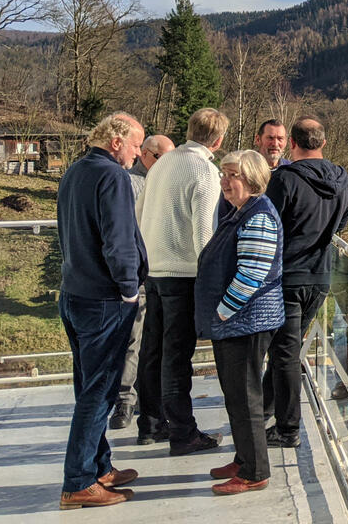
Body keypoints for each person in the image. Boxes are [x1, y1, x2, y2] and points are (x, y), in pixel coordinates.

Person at [56, 112, 146, 509]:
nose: (138, 153)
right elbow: (119, 239)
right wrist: (129, 289)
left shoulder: (75, 171)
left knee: (88, 385)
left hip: (74, 295)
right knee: (99, 391)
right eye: (135, 144)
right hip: (105, 300)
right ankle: (78, 482)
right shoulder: (112, 177)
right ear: (115, 142)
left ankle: (98, 466)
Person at [136, 108, 228, 455]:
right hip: (182, 274)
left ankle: (151, 424)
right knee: (176, 357)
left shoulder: (161, 163)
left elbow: (139, 212)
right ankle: (184, 433)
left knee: (153, 351)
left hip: (154, 270)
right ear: (217, 141)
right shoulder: (204, 171)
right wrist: (212, 282)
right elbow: (204, 232)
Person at [195, 150, 285, 495]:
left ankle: (254, 471)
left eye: (231, 175)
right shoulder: (240, 211)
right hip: (236, 322)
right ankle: (244, 457)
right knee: (235, 394)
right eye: (223, 174)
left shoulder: (258, 215)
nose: (224, 181)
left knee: (245, 397)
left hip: (245, 322)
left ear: (251, 179)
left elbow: (251, 275)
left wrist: (221, 311)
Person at [263, 117, 348, 448]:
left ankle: (287, 429)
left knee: (283, 353)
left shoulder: (284, 179)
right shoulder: (343, 180)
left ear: (292, 144)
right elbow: (341, 222)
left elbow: (269, 225)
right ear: (323, 143)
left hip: (286, 276)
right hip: (321, 275)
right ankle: (264, 409)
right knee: (287, 350)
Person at [110, 134, 174, 431]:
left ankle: (154, 406)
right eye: (165, 158)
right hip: (139, 275)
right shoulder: (129, 183)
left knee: (156, 342)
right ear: (147, 155)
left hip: (162, 271)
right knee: (133, 340)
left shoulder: (166, 180)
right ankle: (125, 400)